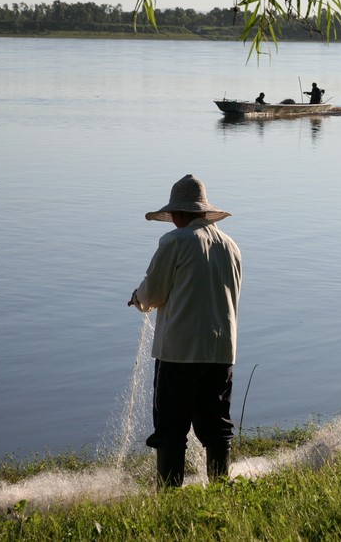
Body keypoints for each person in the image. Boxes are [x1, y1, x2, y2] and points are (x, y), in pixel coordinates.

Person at [128, 174, 242, 487]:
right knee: (216, 425)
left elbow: (153, 293)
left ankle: (169, 496)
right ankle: (220, 486)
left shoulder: (176, 241)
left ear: (178, 214)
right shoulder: (231, 246)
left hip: (180, 352)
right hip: (221, 352)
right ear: (204, 212)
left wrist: (138, 299)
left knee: (171, 427)